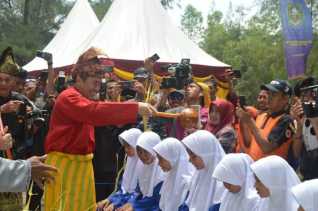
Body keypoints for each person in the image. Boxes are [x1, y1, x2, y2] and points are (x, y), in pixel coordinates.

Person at [43, 48, 156, 211]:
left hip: (81, 165)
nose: (97, 88)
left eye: (99, 83)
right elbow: (93, 112)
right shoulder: (68, 97)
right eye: (95, 83)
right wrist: (134, 107)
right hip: (66, 166)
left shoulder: (82, 98)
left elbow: (97, 111)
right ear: (80, 78)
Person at [237, 80, 295, 161]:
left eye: (274, 94)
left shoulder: (286, 120)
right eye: (269, 93)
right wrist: (244, 121)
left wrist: (250, 122)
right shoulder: (261, 116)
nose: (269, 97)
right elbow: (250, 142)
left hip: (270, 172)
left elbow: (266, 147)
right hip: (254, 168)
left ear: (285, 99)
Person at [117, 131, 164, 211]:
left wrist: (134, 207)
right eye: (139, 151)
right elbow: (138, 192)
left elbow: (157, 201)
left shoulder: (161, 171)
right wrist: (130, 203)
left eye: (146, 151)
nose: (142, 156)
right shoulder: (141, 165)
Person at [97, 128, 142, 210]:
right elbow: (122, 188)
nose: (126, 150)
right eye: (125, 146)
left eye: (129, 146)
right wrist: (110, 199)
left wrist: (116, 203)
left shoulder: (144, 165)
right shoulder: (129, 161)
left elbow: (138, 194)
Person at [182, 130, 225, 211]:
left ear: (206, 154)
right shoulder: (198, 174)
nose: (189, 160)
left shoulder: (223, 183)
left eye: (194, 156)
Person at [153, 138, 193, 211]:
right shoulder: (170, 176)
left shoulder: (188, 183)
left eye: (161, 159)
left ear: (172, 157)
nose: (158, 164)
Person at [290, 77, 318, 180]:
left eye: (311, 93)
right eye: (303, 95)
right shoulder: (303, 118)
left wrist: (314, 120)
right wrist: (299, 124)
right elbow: (296, 153)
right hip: (307, 175)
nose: (308, 98)